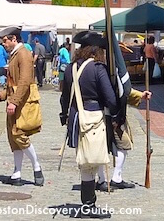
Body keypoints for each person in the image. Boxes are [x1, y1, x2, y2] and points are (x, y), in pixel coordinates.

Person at [59, 31, 151, 218]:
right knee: (91, 163)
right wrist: (117, 115)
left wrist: (64, 116)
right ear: (96, 50)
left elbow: (64, 97)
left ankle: (88, 204)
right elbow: (110, 97)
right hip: (93, 118)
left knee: (86, 163)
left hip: (76, 117)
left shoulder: (70, 68)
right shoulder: (98, 68)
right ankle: (88, 206)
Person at [0, 26, 44, 187]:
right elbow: (12, 83)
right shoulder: (15, 54)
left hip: (22, 102)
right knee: (13, 138)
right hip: (15, 100)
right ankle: (17, 172)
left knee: (19, 134)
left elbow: (24, 81)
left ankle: (37, 167)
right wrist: (1, 96)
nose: (4, 44)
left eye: (6, 41)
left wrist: (14, 101)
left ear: (14, 39)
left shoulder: (23, 54)